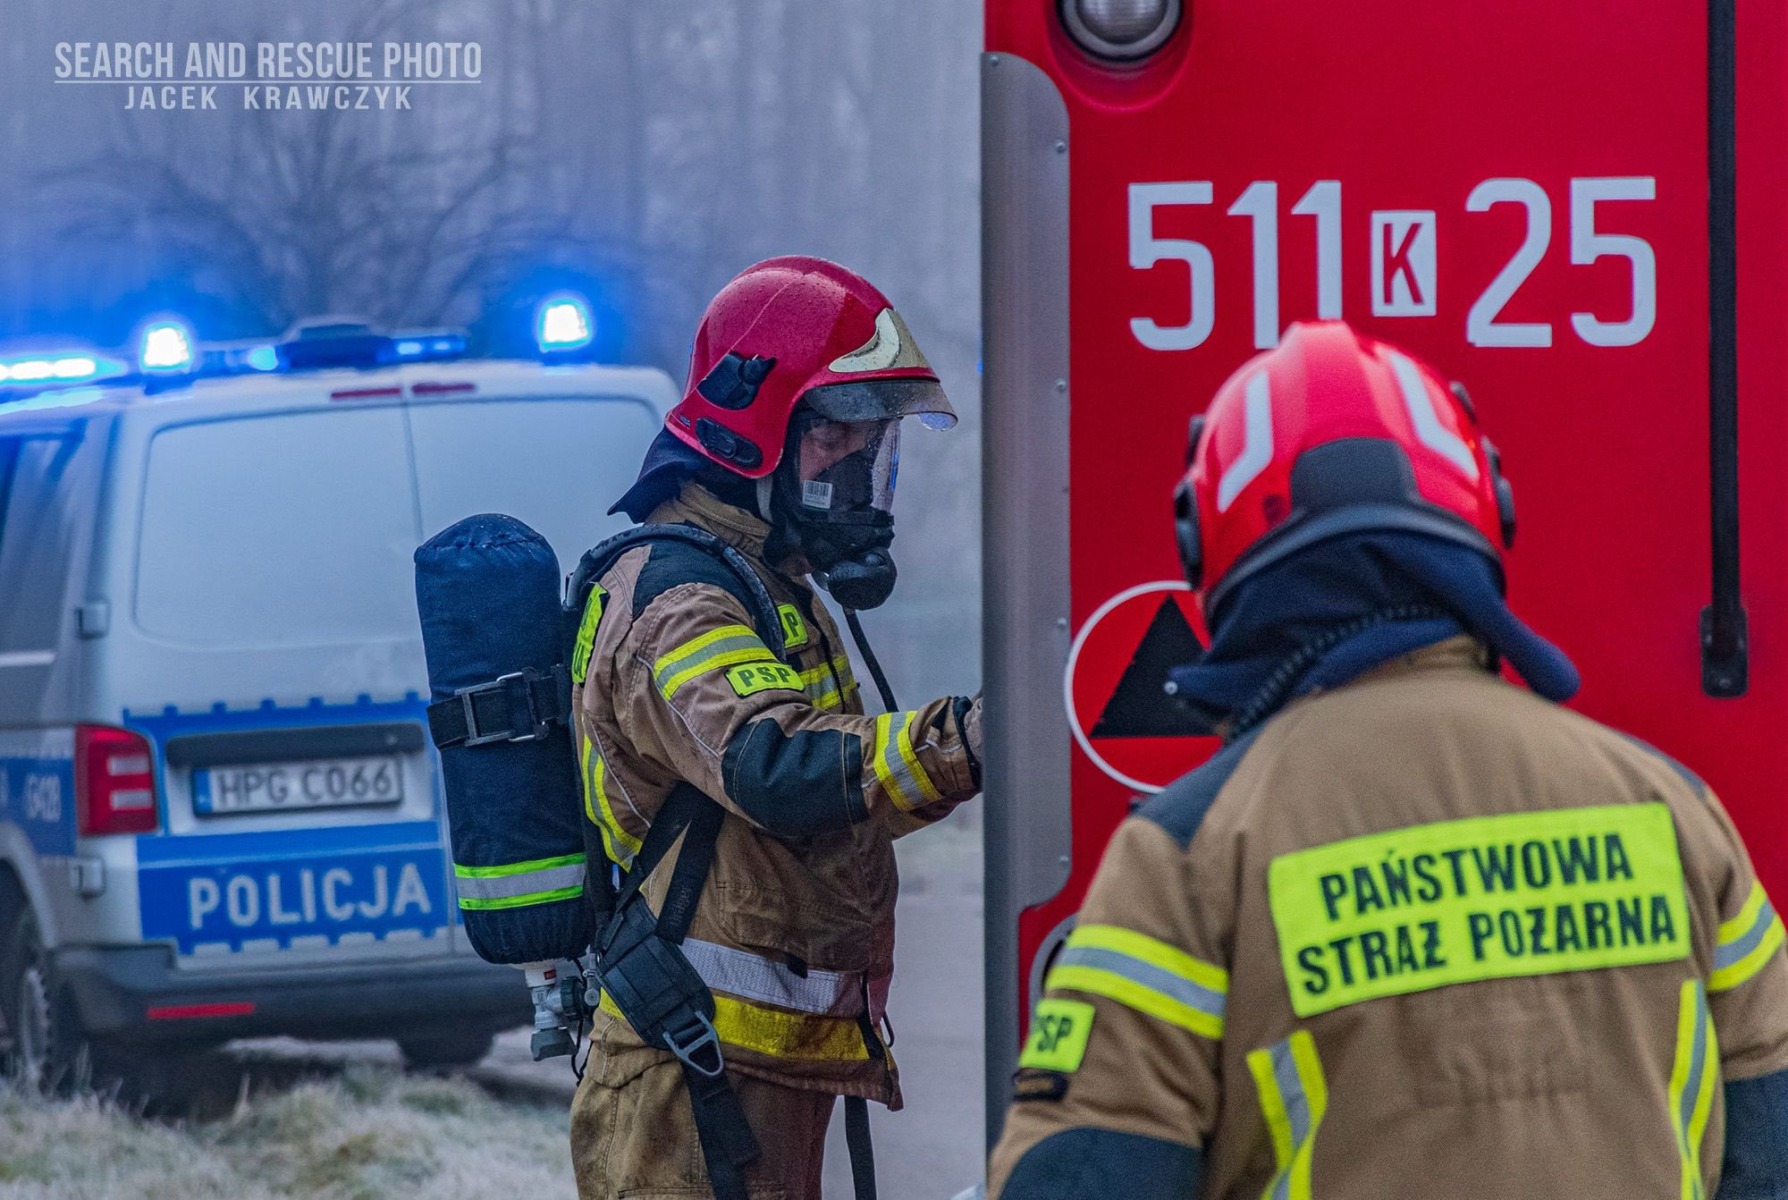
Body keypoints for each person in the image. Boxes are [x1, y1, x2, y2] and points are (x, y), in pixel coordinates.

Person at [988, 321, 1788, 1199]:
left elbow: (1081, 1176)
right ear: (1487, 514)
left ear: (1206, 546)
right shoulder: (1671, 809)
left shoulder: (1191, 851)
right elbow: (1769, 1144)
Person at [568, 256, 984, 1200]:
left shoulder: (768, 588)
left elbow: (836, 803)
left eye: (873, 449)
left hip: (748, 1072)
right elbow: (777, 766)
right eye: (837, 440)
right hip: (685, 1086)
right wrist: (966, 739)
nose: (860, 479)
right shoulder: (678, 600)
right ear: (755, 432)